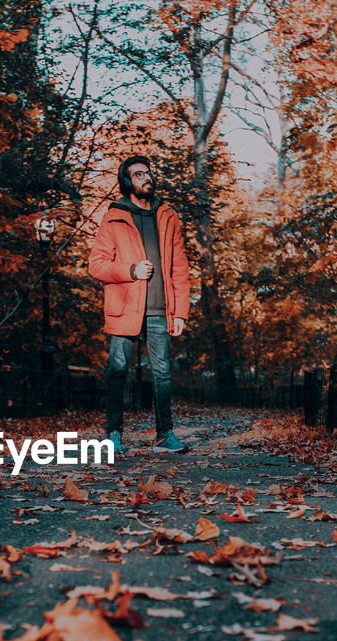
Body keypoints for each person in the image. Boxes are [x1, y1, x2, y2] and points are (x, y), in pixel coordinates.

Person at [87, 155, 192, 456]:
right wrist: (130, 271)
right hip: (125, 308)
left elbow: (180, 268)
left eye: (148, 172)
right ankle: (113, 436)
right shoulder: (114, 217)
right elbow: (96, 265)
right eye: (138, 174)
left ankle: (164, 435)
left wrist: (181, 311)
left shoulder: (168, 216)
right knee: (117, 372)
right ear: (127, 182)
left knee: (163, 374)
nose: (146, 177)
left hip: (161, 309)